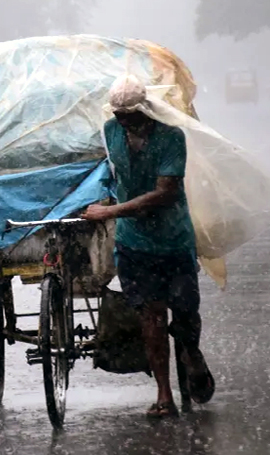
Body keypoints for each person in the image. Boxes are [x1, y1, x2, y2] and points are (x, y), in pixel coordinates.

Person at [81, 74, 214, 417]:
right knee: (151, 320)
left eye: (130, 116)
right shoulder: (111, 132)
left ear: (145, 110)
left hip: (173, 241)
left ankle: (192, 354)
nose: (124, 122)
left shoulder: (171, 138)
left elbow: (165, 192)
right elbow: (107, 170)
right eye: (119, 116)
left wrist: (110, 211)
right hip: (134, 244)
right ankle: (164, 394)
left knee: (185, 317)